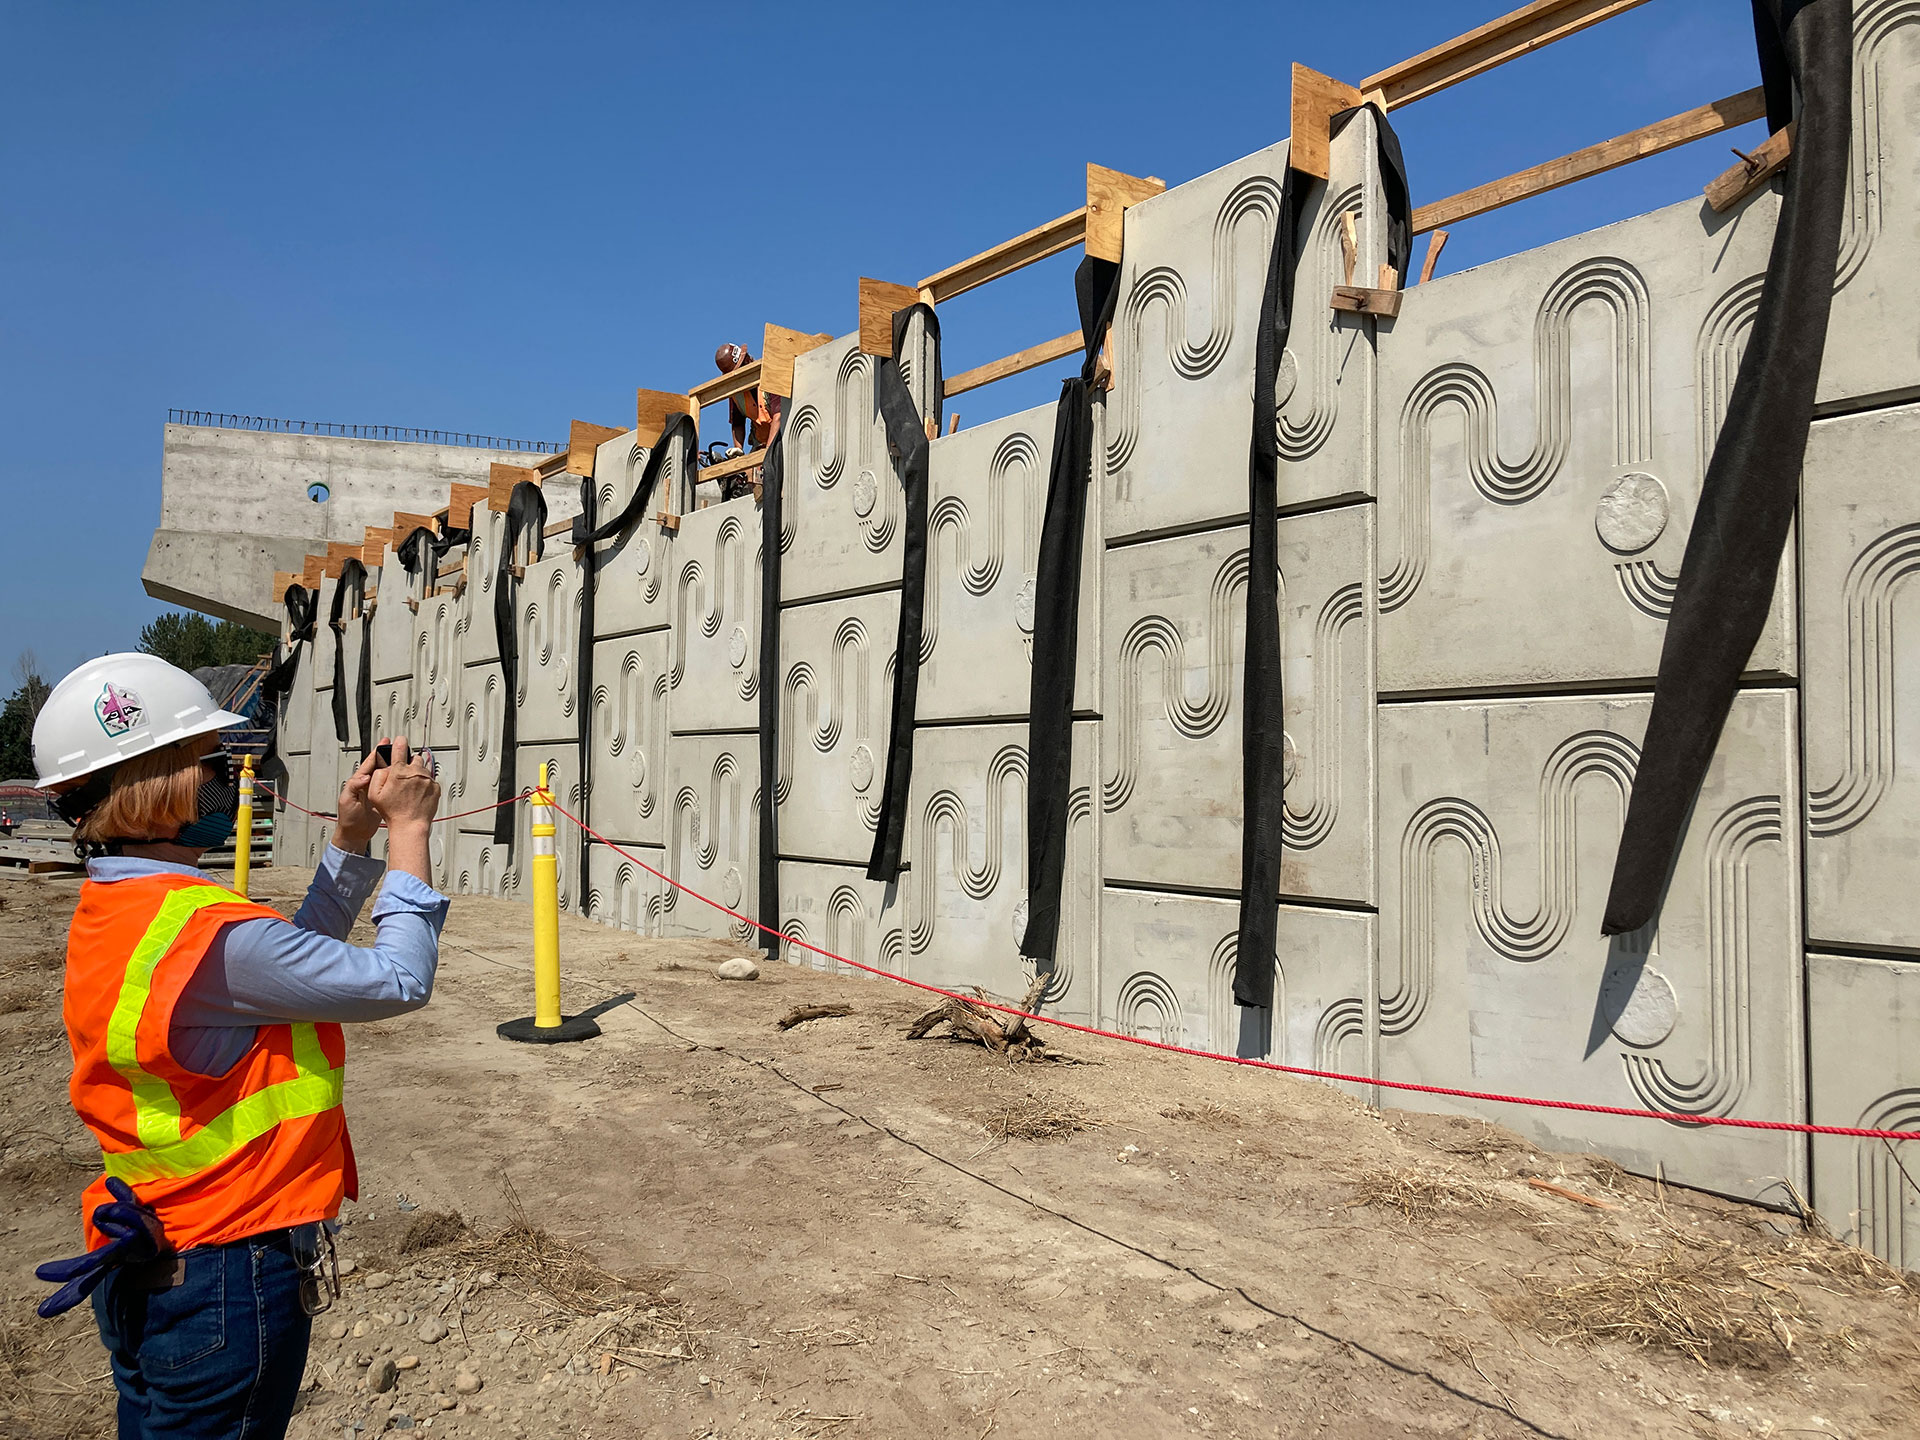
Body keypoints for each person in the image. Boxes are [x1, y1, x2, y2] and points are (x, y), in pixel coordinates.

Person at [28, 652, 447, 1439]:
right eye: (211, 761)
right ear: (162, 783)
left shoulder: (128, 911)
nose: (229, 774)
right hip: (225, 1272)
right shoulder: (201, 931)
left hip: (155, 1251)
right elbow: (398, 980)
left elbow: (281, 981)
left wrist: (351, 842)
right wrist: (410, 831)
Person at [714, 342, 782, 501]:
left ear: (747, 360)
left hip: (782, 435)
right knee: (750, 480)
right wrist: (739, 452)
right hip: (760, 440)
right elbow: (738, 423)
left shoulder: (768, 377)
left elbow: (778, 416)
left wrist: (767, 456)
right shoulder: (736, 391)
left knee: (769, 476)